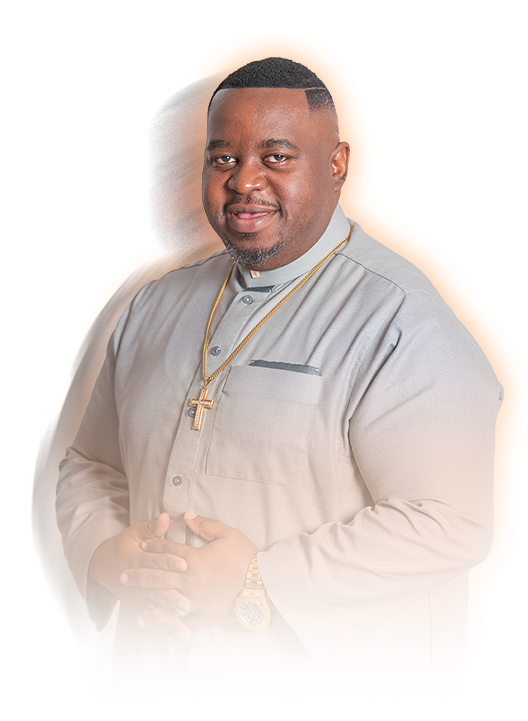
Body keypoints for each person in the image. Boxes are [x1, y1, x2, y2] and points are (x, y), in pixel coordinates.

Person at [55, 58, 503, 700]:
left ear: (337, 164)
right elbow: (91, 463)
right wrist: (105, 555)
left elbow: (447, 521)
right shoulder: (154, 303)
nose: (244, 181)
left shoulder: (400, 316)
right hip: (151, 679)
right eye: (223, 158)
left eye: (277, 157)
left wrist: (256, 583)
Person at [30, 75, 223, 656]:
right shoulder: (131, 296)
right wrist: (105, 555)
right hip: (136, 647)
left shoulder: (361, 300)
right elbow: (77, 457)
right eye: (166, 175)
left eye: (212, 162)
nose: (187, 195)